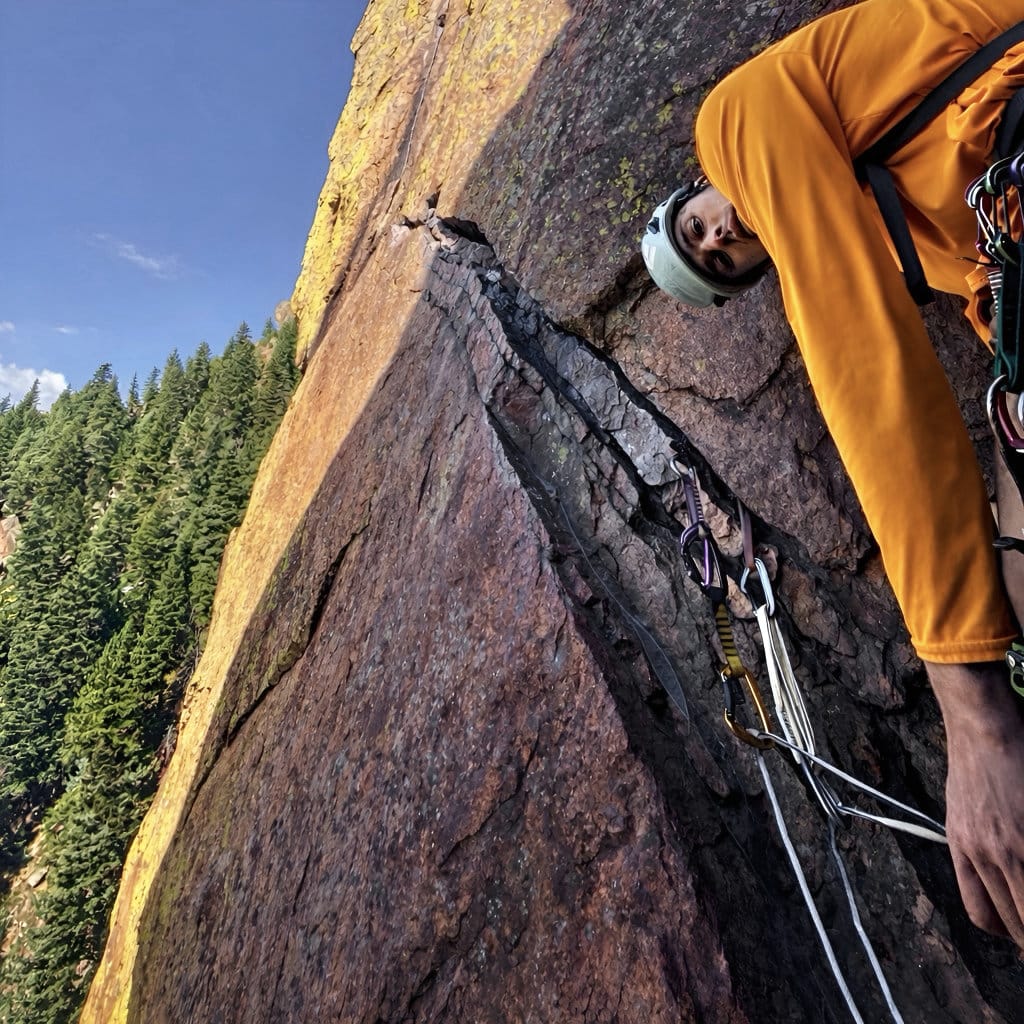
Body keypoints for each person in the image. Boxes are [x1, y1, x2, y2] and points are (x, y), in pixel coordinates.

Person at [642, 0, 1024, 946]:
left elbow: (868, 371)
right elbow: (988, 299)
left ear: (695, 188)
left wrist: (973, 714)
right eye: (722, 256)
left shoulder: (739, 119)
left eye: (697, 228)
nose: (721, 232)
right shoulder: (906, 244)